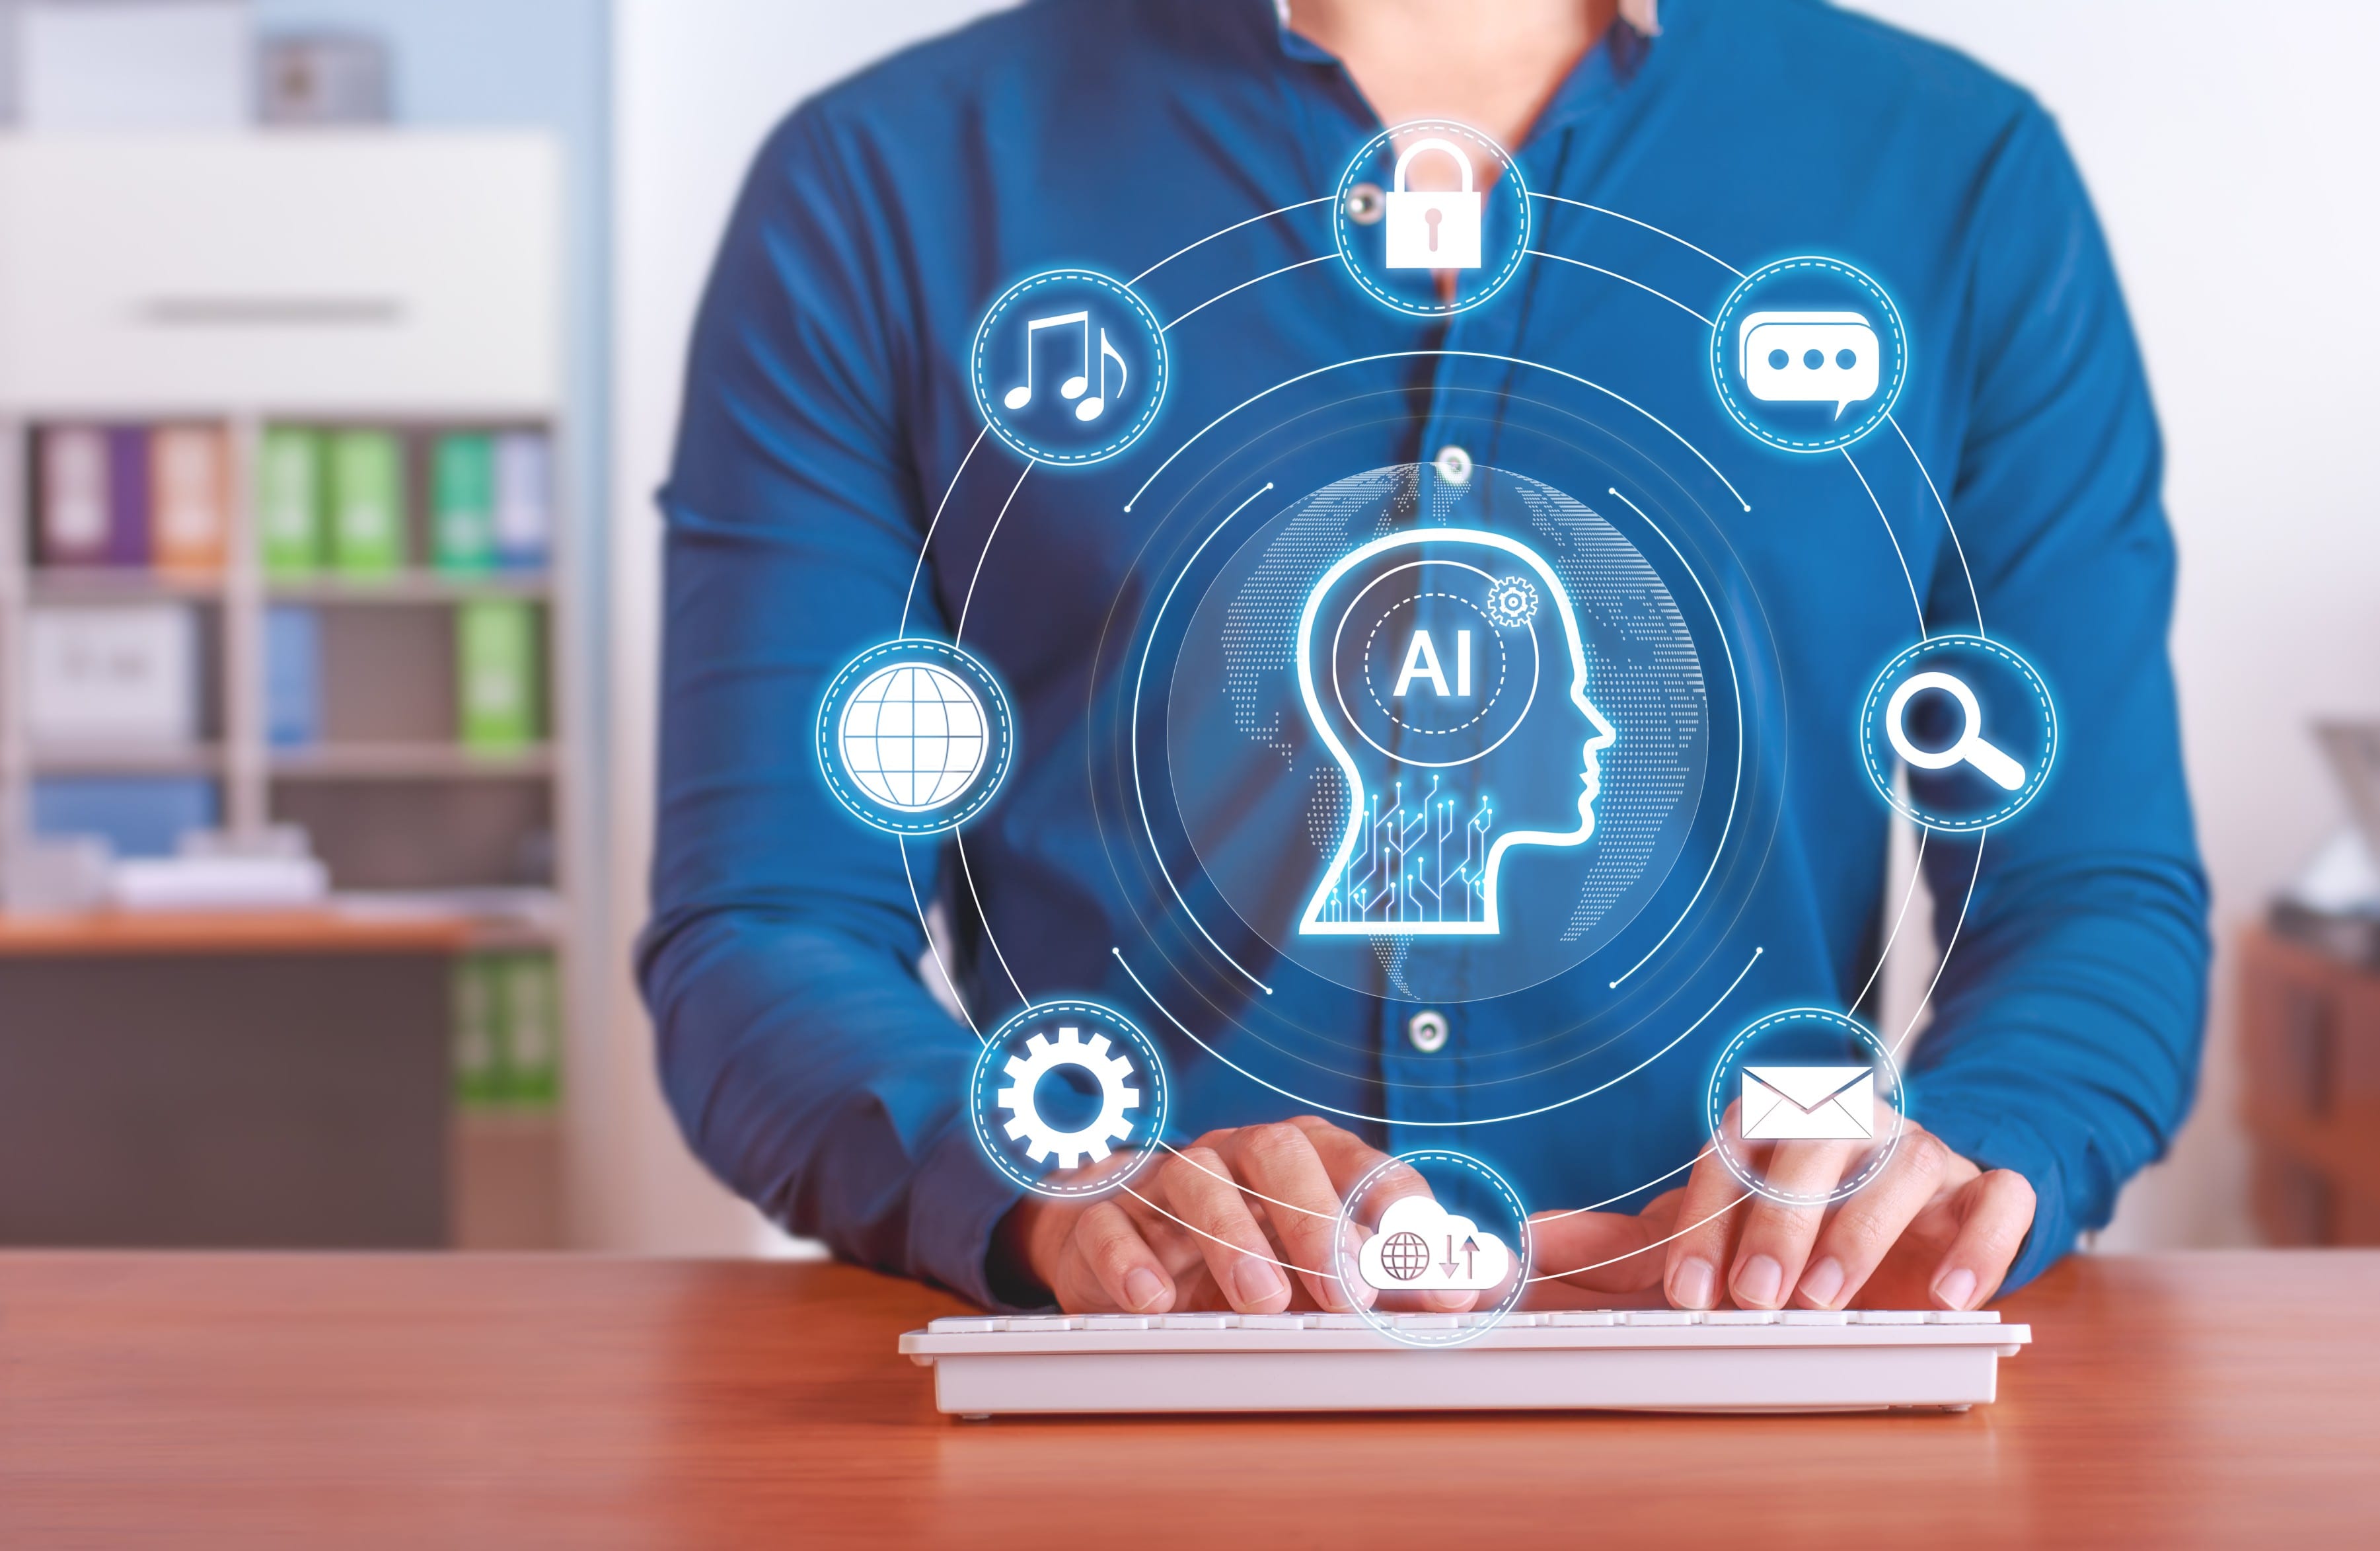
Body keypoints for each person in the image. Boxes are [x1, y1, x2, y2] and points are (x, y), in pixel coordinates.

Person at [644, 0, 2210, 1320]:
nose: (1582, 724)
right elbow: (767, 921)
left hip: (1740, 1374)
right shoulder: (884, 187)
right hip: (1149, 1382)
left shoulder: (1956, 177)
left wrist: (1946, 1167)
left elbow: (2088, 898)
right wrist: (1061, 1185)